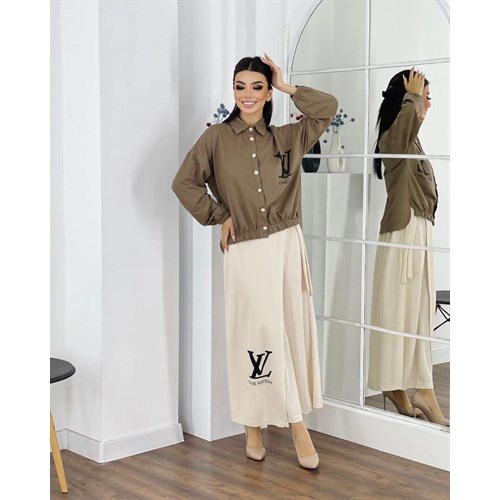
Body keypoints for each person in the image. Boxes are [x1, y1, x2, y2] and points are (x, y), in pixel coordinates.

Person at [172, 54, 338, 468]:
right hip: (245, 249)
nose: (247, 95)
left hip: (286, 245)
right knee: (255, 335)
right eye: (240, 86)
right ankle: (280, 425)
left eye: (257, 87)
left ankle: (270, 424)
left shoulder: (288, 137)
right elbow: (184, 182)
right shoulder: (215, 139)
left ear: (267, 94)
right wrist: (220, 215)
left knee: (288, 332)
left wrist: (286, 85)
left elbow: (327, 108)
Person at [367, 67, 449, 426]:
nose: (428, 105)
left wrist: (414, 99)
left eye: (426, 97)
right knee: (399, 312)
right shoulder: (394, 138)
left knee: (416, 313)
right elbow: (401, 133)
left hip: (417, 231)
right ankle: (406, 387)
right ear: (407, 102)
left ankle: (412, 388)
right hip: (404, 232)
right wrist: (413, 97)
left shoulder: (411, 140)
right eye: (423, 97)